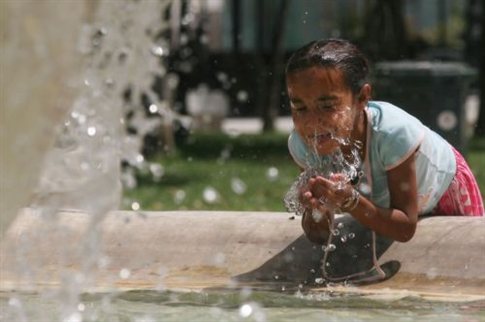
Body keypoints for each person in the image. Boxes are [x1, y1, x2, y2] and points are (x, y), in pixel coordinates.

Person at [285, 38, 484, 244]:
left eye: (327, 106)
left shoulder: (392, 134)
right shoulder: (303, 144)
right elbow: (319, 237)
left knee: (470, 253)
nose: (311, 123)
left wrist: (351, 201)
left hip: (443, 187)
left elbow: (405, 229)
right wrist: (316, 210)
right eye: (299, 108)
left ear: (362, 98)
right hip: (386, 205)